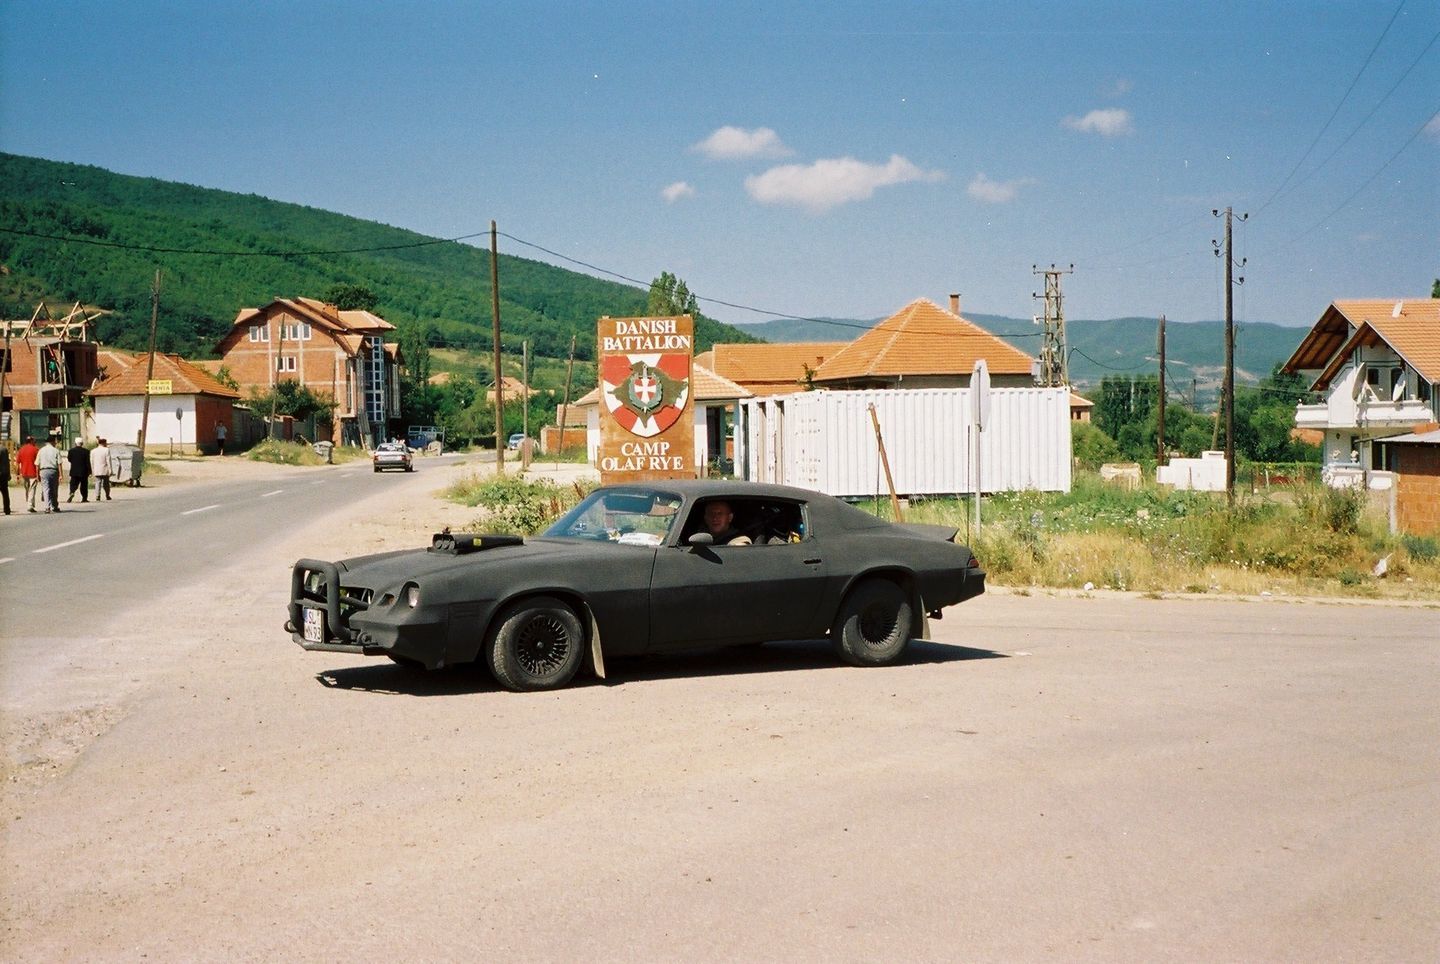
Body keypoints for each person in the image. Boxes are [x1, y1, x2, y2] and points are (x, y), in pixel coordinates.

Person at [37, 433, 63, 513]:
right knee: (54, 489)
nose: (55, 443)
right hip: (53, 471)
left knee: (46, 489)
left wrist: (37, 474)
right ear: (52, 442)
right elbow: (59, 463)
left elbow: (37, 464)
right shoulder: (56, 450)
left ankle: (47, 507)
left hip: (43, 471)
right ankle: (54, 506)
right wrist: (61, 474)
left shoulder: (41, 450)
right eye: (55, 441)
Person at [17, 435, 39, 512]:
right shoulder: (35, 449)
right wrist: (38, 474)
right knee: (32, 489)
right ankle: (30, 505)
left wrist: (18, 474)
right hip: (33, 472)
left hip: (24, 472)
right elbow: (38, 462)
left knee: (27, 488)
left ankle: (28, 502)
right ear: (32, 441)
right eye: (34, 441)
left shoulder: (21, 450)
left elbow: (18, 462)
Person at [66, 437, 91, 503]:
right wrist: (90, 471)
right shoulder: (86, 451)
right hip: (83, 471)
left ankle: (72, 492)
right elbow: (87, 462)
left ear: (75, 443)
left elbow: (69, 459)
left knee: (73, 483)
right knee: (84, 485)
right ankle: (84, 498)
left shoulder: (71, 451)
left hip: (74, 471)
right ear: (82, 443)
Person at [91, 437, 113, 501]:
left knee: (98, 483)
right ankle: (107, 495)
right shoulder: (106, 450)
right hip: (104, 469)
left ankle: (97, 496)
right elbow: (108, 460)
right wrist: (110, 470)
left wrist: (92, 470)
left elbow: (92, 461)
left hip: (97, 469)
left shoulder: (93, 451)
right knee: (106, 483)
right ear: (103, 443)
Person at [0, 441, 10, 515]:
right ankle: (7, 509)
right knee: (5, 492)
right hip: (3, 474)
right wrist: (8, 474)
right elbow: (7, 463)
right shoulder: (4, 449)